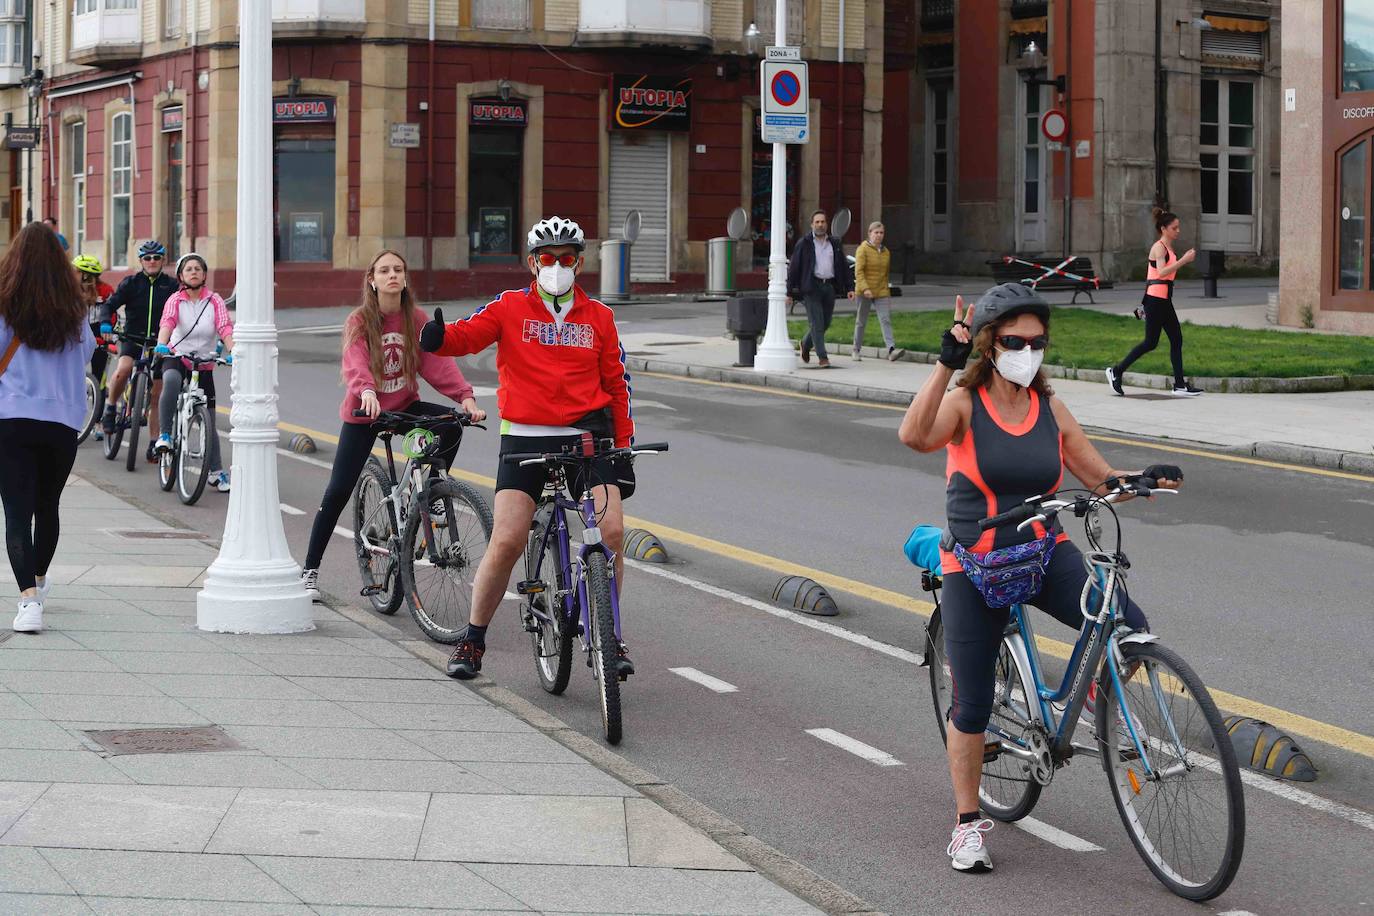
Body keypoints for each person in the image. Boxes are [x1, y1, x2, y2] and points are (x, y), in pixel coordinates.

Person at [897, 282, 1184, 874]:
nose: (1027, 351)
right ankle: (967, 824)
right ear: (988, 344)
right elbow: (914, 436)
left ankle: (1092, 704)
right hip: (974, 566)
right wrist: (943, 365)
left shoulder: (1048, 408)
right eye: (1014, 341)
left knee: (1127, 621)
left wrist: (1137, 479)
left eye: (1037, 342)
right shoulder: (963, 403)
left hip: (1042, 552)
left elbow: (1097, 473)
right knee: (972, 705)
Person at [418, 216, 636, 681]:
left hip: (587, 436)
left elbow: (616, 385)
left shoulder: (600, 317)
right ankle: (473, 640)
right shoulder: (510, 307)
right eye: (547, 259)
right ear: (532, 263)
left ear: (580, 263)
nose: (557, 266)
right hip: (525, 436)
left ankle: (611, 635)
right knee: (509, 538)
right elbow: (468, 334)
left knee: (612, 532)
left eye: (567, 259)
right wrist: (439, 339)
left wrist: (624, 447)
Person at [299, 250, 482, 599]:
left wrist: (466, 398)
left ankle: (431, 494)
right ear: (372, 279)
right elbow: (355, 361)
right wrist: (366, 389)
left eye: (398, 269)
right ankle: (310, 570)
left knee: (451, 426)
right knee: (338, 490)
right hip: (365, 413)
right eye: (384, 270)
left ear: (405, 277)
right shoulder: (360, 320)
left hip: (404, 406)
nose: (392, 275)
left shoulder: (416, 319)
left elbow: (437, 363)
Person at [0, 223, 95, 633]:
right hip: (61, 423)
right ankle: (39, 579)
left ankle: (28, 602)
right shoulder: (75, 313)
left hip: (11, 419)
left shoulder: (5, 304)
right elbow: (88, 356)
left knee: (17, 513)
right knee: (48, 506)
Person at [153, 253, 235, 493]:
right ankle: (166, 435)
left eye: (198, 268)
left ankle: (216, 472)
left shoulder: (215, 300)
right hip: (178, 356)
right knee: (170, 380)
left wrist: (233, 350)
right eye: (189, 269)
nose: (194, 272)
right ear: (181, 276)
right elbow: (167, 322)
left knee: (208, 415)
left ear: (204, 274)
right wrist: (162, 343)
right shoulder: (175, 300)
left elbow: (224, 326)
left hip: (204, 361)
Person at [1105, 208, 1203, 398]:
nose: (1178, 231)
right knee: (1151, 342)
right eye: (1174, 228)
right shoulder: (1158, 247)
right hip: (1155, 300)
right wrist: (1184, 260)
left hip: (1164, 300)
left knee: (1176, 339)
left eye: (1178, 227)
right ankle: (1116, 371)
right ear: (1164, 229)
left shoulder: (1168, 248)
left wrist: (1180, 260)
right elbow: (1162, 272)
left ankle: (1180, 385)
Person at [99, 240, 180, 460]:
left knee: (157, 395)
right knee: (123, 368)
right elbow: (109, 305)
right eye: (147, 258)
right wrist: (106, 321)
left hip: (160, 343)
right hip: (132, 338)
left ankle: (154, 443)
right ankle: (110, 406)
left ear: (163, 260)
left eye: (156, 258)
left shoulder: (172, 286)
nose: (152, 262)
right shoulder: (131, 283)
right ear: (141, 261)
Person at [787, 210, 855, 368]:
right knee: (817, 323)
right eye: (817, 222)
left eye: (822, 222)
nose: (820, 225)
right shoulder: (804, 243)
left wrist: (850, 287)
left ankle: (805, 343)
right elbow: (794, 268)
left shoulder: (835, 243)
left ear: (827, 224)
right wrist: (789, 292)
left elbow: (843, 267)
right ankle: (822, 357)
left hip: (829, 287)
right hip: (811, 287)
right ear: (812, 225)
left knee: (825, 323)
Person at [74, 255, 115, 439]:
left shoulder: (106, 290)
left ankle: (97, 422)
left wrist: (111, 334)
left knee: (99, 380)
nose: (72, 273)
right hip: (77, 338)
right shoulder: (71, 290)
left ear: (85, 275)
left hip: (100, 337)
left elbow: (112, 313)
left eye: (77, 271)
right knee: (74, 380)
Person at [852, 221, 901, 361]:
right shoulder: (863, 249)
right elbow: (859, 272)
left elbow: (885, 274)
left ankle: (891, 349)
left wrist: (887, 291)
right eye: (876, 233)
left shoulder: (886, 252)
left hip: (881, 291)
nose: (879, 235)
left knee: (885, 319)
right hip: (864, 291)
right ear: (870, 233)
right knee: (861, 321)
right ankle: (856, 349)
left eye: (881, 233)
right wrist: (865, 288)